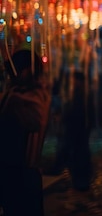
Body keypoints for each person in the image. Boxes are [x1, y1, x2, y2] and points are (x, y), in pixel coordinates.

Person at [0, 49, 51, 216]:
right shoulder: (26, 94)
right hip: (19, 173)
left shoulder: (24, 98)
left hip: (20, 174)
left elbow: (37, 121)